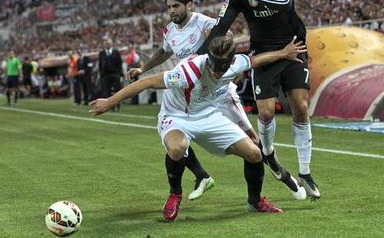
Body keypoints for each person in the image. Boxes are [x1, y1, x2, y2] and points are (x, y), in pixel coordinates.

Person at [90, 36, 307, 221]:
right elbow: (146, 82)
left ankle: (255, 201)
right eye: (213, 65)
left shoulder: (236, 63)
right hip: (177, 116)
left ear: (231, 61)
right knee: (177, 148)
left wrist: (283, 53)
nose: (215, 71)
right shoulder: (188, 71)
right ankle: (175, 193)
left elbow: (255, 60)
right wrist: (109, 102)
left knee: (254, 153)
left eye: (222, 67)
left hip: (209, 116)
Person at [127, 0, 306, 201]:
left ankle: (281, 172)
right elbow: (163, 52)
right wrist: (142, 69)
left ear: (189, 5)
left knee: (253, 139)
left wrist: (213, 38)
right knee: (176, 134)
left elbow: (227, 40)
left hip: (220, 91)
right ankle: (201, 175)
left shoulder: (204, 22)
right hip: (190, 94)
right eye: (169, 7)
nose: (171, 11)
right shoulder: (169, 31)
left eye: (176, 6)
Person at [196, 0, 320, 199]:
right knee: (265, 113)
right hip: (264, 53)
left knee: (301, 106)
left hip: (293, 46)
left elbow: (286, 2)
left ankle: (306, 173)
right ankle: (267, 153)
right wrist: (196, 57)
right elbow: (220, 28)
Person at [98, 39, 123, 111]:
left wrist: (120, 74)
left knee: (117, 91)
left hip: (115, 74)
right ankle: (110, 106)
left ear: (111, 44)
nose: (107, 45)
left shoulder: (116, 52)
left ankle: (118, 105)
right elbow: (100, 64)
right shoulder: (102, 53)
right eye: (106, 43)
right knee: (107, 91)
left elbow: (119, 63)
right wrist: (101, 74)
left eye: (108, 43)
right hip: (106, 75)